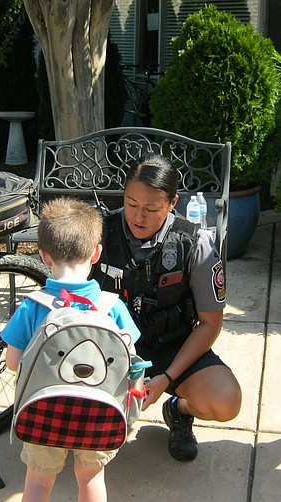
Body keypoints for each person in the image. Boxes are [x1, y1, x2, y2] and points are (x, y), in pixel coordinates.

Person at [91, 153, 241, 462]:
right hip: (109, 349)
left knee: (225, 401)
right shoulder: (97, 232)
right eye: (131, 204)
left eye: (151, 209)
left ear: (172, 203)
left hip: (171, 348)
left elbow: (211, 323)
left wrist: (168, 379)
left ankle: (179, 411)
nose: (138, 217)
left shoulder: (194, 243)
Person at [1, 197, 140, 502]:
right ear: (96, 254)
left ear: (43, 256)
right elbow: (132, 359)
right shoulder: (111, 306)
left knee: (38, 481)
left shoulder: (32, 306)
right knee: (91, 478)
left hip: (44, 412)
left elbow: (13, 362)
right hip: (98, 412)